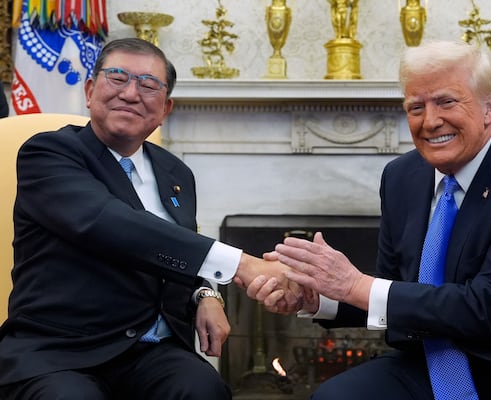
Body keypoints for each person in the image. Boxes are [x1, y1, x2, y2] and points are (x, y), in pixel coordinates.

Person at [247, 40, 491, 399]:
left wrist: (355, 284)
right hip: (440, 355)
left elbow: (489, 308)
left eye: (446, 101)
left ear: (489, 108)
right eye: (416, 107)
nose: (430, 121)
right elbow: (392, 286)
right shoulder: (402, 176)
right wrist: (316, 296)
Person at [0, 38, 299, 400]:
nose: (130, 93)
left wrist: (205, 292)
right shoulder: (48, 154)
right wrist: (242, 264)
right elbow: (110, 224)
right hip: (61, 351)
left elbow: (171, 249)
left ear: (165, 108)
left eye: (148, 85)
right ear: (90, 91)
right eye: (117, 77)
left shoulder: (176, 172)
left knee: (202, 389)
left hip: (150, 349)